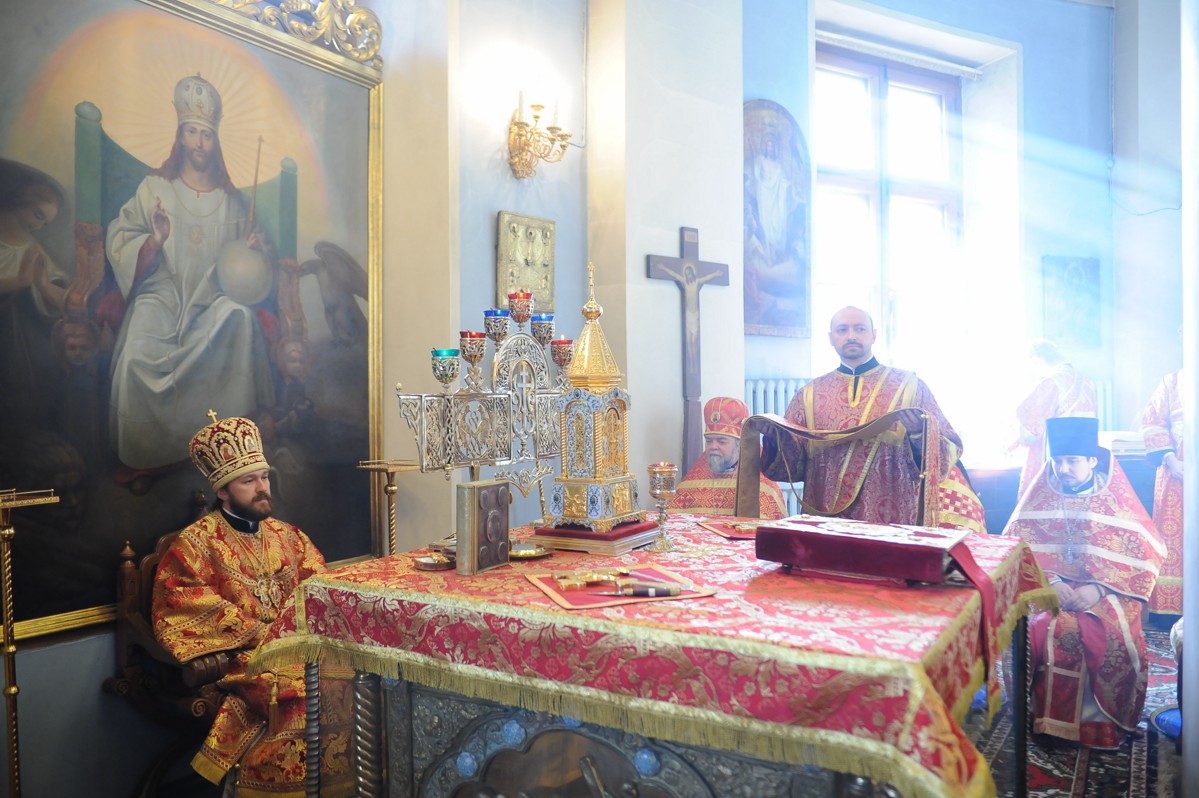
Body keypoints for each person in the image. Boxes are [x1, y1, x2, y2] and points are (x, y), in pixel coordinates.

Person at [152, 413, 352, 796]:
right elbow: (180, 600)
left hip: (296, 648)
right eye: (249, 481)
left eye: (265, 477)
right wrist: (265, 633)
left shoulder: (289, 536)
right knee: (300, 697)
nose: (262, 488)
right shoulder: (195, 544)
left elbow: (319, 590)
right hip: (242, 658)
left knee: (354, 679)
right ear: (223, 491)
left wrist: (301, 631)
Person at [105, 74, 276, 485]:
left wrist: (254, 249)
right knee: (134, 357)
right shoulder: (154, 188)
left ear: (215, 142)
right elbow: (121, 238)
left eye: (207, 135)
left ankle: (228, 451)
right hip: (162, 295)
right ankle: (148, 455)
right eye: (192, 132)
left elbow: (246, 267)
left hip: (211, 299)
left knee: (240, 318)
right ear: (180, 137)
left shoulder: (233, 202)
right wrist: (154, 240)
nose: (199, 143)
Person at [1003, 416, 1164, 749]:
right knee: (1042, 626)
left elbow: (1145, 555)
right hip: (1048, 586)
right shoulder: (1041, 495)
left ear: (1092, 460)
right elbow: (1017, 548)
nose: (1063, 469)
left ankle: (1097, 724)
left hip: (1109, 590)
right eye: (1058, 461)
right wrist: (1051, 581)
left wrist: (1099, 588)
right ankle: (1043, 719)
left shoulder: (1115, 499)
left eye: (1072, 461)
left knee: (1107, 631)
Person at [758, 306, 986, 532]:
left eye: (859, 329)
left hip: (892, 518)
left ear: (874, 335)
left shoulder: (909, 386)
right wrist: (774, 439)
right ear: (831, 338)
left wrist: (919, 433)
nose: (851, 336)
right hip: (826, 520)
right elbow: (792, 465)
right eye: (842, 330)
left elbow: (946, 448)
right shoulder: (809, 394)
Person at [670, 396, 787, 519]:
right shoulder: (693, 481)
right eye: (709, 441)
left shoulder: (761, 486)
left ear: (740, 444)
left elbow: (764, 528)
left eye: (721, 441)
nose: (713, 447)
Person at [1009, 339, 1097, 501]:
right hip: (1080, 463)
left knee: (1040, 504)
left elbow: (1030, 430)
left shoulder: (1051, 381)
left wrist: (1011, 443)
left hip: (1055, 461)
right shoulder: (1085, 380)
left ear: (1037, 360)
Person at [1140, 367, 1184, 616]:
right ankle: (1171, 608)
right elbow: (1153, 422)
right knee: (1174, 535)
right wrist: (1170, 459)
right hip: (1176, 471)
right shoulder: (1172, 381)